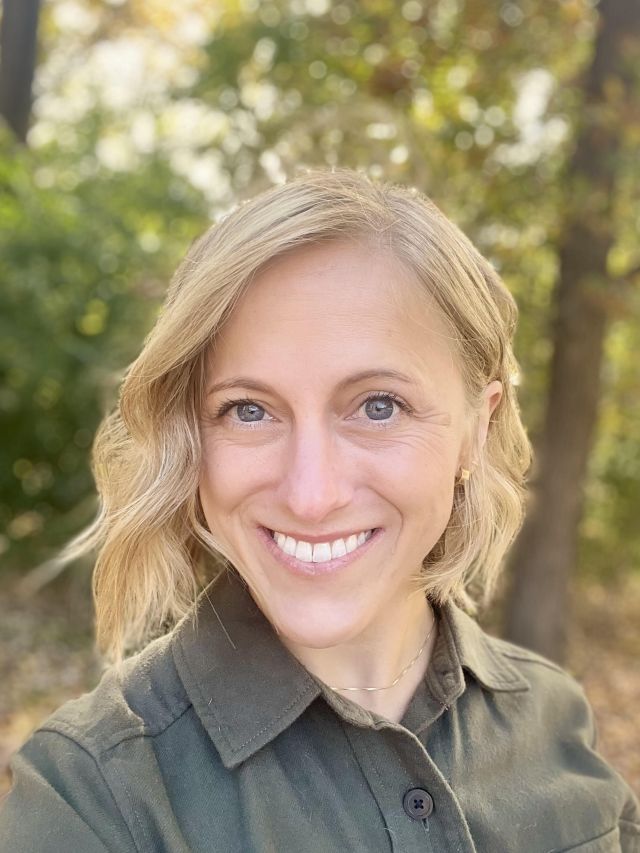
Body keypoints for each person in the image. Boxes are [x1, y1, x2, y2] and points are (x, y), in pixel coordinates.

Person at [1, 169, 638, 853]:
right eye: (249, 410)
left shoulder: (554, 717)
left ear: (474, 430)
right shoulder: (92, 797)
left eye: (377, 406)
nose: (311, 493)